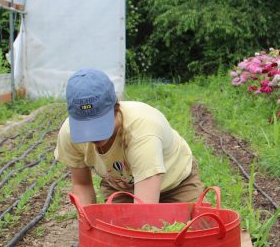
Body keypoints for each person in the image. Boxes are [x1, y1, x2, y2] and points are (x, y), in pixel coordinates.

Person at [54, 68, 203, 205]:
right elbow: (82, 184)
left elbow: (145, 208)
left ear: (116, 108)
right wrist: (88, 224)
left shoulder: (143, 131)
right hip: (122, 188)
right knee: (115, 230)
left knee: (188, 231)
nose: (93, 135)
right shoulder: (69, 133)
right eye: (86, 127)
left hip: (175, 184)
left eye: (99, 124)